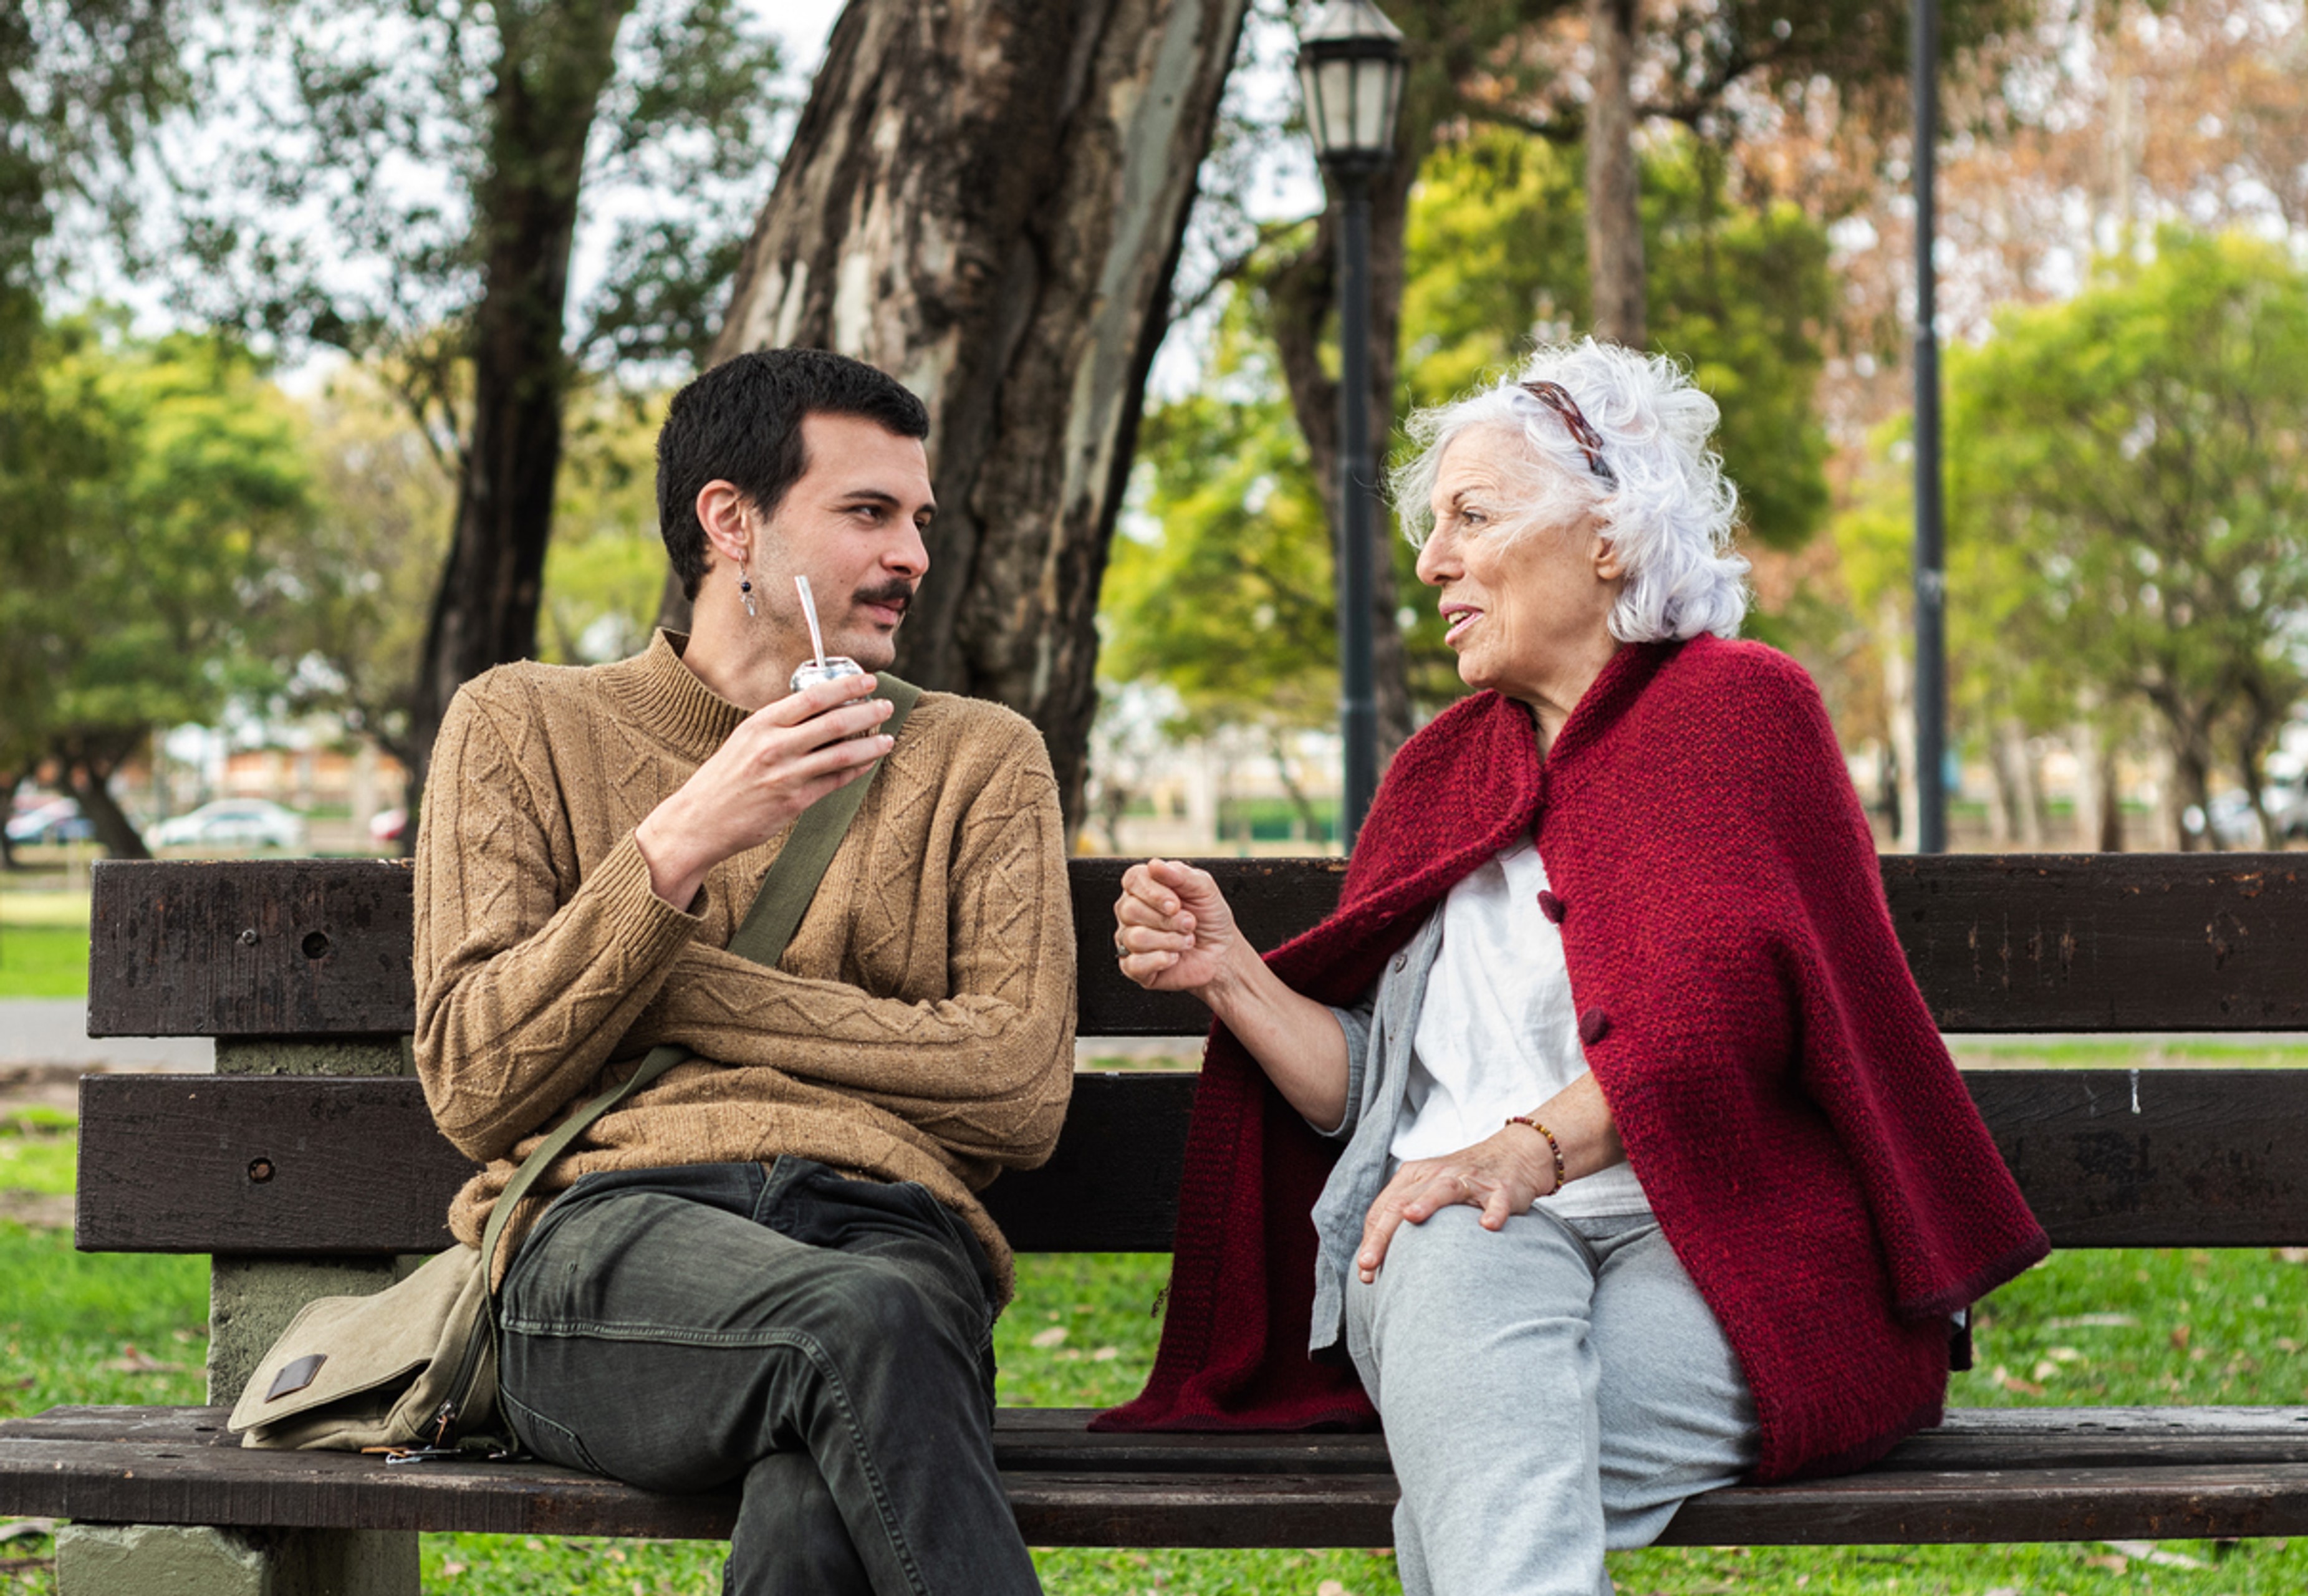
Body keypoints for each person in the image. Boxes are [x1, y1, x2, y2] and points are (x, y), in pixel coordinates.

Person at [1099, 340, 2049, 1595]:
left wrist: (1528, 1144)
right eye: (1432, 526)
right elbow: (1370, 1096)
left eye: (1473, 517)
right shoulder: (1438, 773)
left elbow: (1727, 1015)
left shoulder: (1741, 708)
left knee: (1486, 1483)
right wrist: (1232, 973)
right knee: (1473, 1353)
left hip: (1723, 1242)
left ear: (1608, 535)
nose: (1432, 561)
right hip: (1454, 1240)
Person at [412, 348, 1074, 1596]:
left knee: (818, 1480)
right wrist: (679, 841)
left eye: (918, 520)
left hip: (894, 1233)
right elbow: (475, 1077)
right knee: (858, 1334)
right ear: (732, 522)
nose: (915, 556)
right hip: (612, 1245)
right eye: (869, 512)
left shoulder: (981, 759)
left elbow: (1016, 1086)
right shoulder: (520, 722)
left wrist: (665, 982)